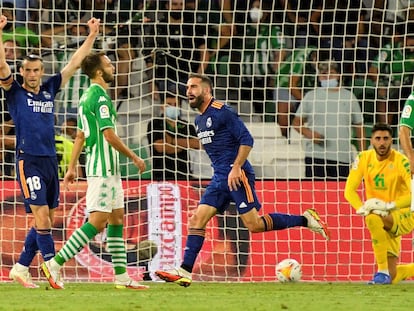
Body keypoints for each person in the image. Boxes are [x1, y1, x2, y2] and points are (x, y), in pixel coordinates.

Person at [155, 73, 330, 287]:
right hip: (219, 177)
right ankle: (185, 270)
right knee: (196, 220)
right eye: (188, 87)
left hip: (237, 175)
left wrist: (236, 167)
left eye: (194, 87)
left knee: (254, 225)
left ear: (207, 90)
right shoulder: (199, 120)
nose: (188, 91)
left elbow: (246, 140)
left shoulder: (223, 112)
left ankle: (306, 219)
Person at [0, 15, 101, 288]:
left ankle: (21, 267)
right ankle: (50, 265)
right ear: (21, 72)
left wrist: (91, 36)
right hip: (28, 161)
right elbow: (1, 65)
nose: (32, 75)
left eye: (36, 70)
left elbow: (74, 63)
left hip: (50, 162)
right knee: (42, 217)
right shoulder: (15, 92)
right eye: (28, 70)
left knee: (48, 219)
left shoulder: (49, 88)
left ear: (41, 71)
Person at [40, 51, 149, 290]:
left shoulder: (85, 96)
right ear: (99, 71)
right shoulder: (99, 97)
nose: (113, 68)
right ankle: (54, 264)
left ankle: (121, 277)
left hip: (107, 169)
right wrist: (134, 156)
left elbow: (80, 135)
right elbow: (109, 135)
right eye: (109, 65)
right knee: (98, 222)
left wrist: (71, 168)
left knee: (117, 218)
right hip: (103, 168)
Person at [344, 123, 414, 284]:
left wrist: (389, 206)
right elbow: (349, 190)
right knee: (393, 275)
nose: (382, 143)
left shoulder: (402, 161)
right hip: (383, 217)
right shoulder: (363, 158)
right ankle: (390, 273)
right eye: (378, 139)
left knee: (372, 218)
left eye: (386, 139)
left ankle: (381, 271)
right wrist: (360, 208)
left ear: (391, 140)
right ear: (372, 140)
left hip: (404, 214)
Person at [292, 60, 366, 180]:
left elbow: (359, 127)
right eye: (324, 74)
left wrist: (363, 155)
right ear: (319, 77)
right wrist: (310, 134)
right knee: (314, 195)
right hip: (315, 156)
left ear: (338, 75)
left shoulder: (349, 97)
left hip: (342, 156)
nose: (327, 77)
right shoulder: (310, 96)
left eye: (331, 73)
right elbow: (296, 122)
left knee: (340, 196)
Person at [146, 91, 200, 180]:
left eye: (175, 104)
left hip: (184, 174)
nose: (173, 107)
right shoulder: (154, 123)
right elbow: (160, 147)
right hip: (160, 175)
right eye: (169, 104)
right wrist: (183, 145)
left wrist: (172, 141)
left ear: (179, 107)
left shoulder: (187, 125)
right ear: (162, 106)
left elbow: (196, 144)